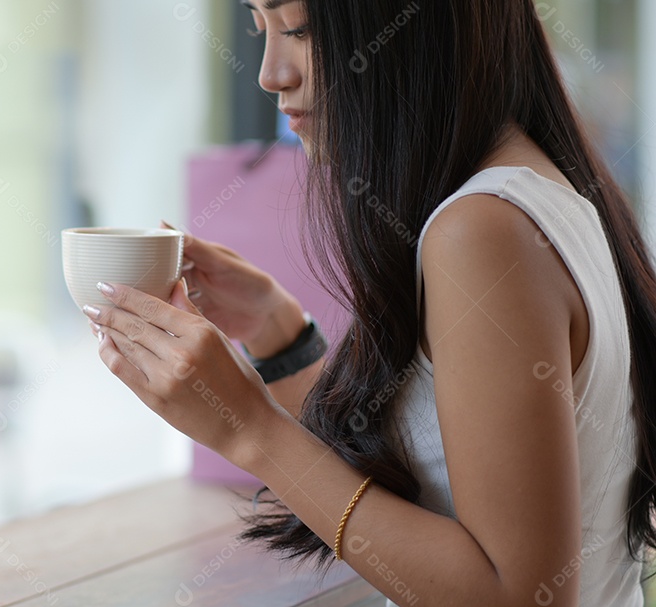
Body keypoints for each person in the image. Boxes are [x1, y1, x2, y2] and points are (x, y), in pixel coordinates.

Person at [81, 0, 656, 605]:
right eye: (260, 29)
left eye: (300, 31)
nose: (271, 72)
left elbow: (515, 596)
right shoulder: (529, 189)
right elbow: (432, 465)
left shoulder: (482, 231)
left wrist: (248, 430)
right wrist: (277, 333)